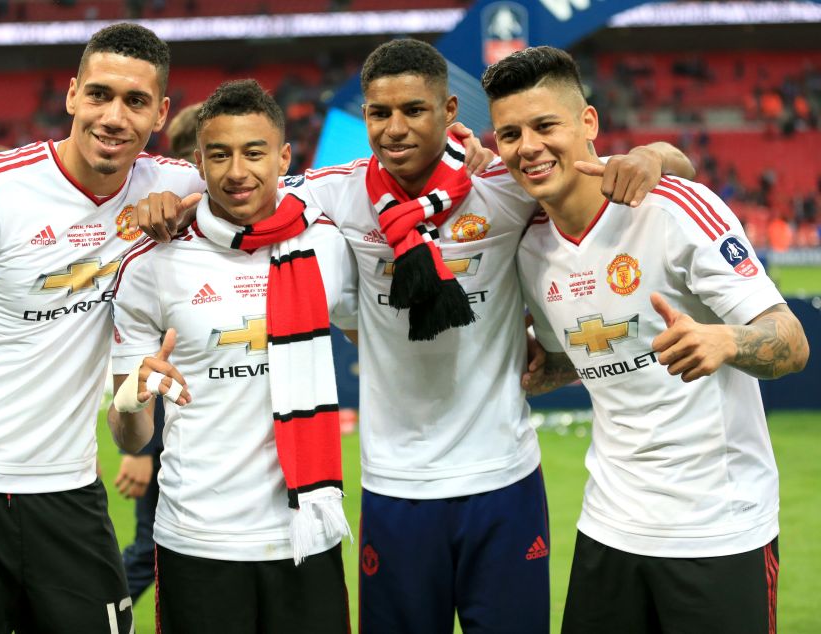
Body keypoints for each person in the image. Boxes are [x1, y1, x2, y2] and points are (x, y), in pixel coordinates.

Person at [134, 38, 695, 634]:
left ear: (451, 112)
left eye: (414, 111)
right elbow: (242, 194)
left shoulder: (503, 186)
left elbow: (626, 173)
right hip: (395, 487)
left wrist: (656, 153)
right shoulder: (336, 193)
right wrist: (174, 202)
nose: (394, 128)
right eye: (380, 113)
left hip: (501, 481)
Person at [0, 23, 204, 633]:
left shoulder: (175, 187)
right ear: (71, 96)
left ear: (161, 113)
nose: (114, 117)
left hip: (70, 490)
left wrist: (449, 162)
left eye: (135, 101)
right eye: (100, 95)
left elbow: (276, 192)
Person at [482, 45, 810, 633]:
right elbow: (598, 353)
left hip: (718, 528)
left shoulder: (675, 210)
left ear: (588, 123)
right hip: (608, 528)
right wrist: (544, 370)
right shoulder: (529, 245)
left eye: (544, 125)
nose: (527, 145)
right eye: (510, 133)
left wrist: (728, 342)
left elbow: (789, 340)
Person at [107, 79, 357, 633]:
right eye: (219, 154)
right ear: (198, 161)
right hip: (198, 539)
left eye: (254, 152)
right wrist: (134, 397)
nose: (237, 171)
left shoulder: (327, 245)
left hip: (305, 532)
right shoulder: (153, 265)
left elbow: (373, 336)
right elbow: (129, 436)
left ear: (284, 158)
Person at [115, 101, 202, 604]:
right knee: (151, 547)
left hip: (202, 435)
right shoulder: (162, 246)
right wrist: (146, 452)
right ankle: (104, 610)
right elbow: (155, 357)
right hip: (167, 430)